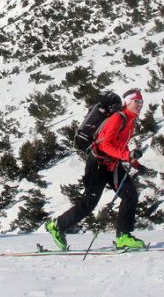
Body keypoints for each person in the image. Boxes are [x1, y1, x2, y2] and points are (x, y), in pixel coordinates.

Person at [46, 88, 147, 250]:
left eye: (141, 101)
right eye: (137, 101)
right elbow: (105, 145)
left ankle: (123, 237)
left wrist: (136, 164)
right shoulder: (117, 118)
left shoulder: (129, 122)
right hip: (98, 163)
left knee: (130, 195)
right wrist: (127, 156)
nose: (140, 105)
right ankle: (57, 225)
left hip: (112, 164)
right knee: (89, 203)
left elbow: (120, 145)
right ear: (128, 102)